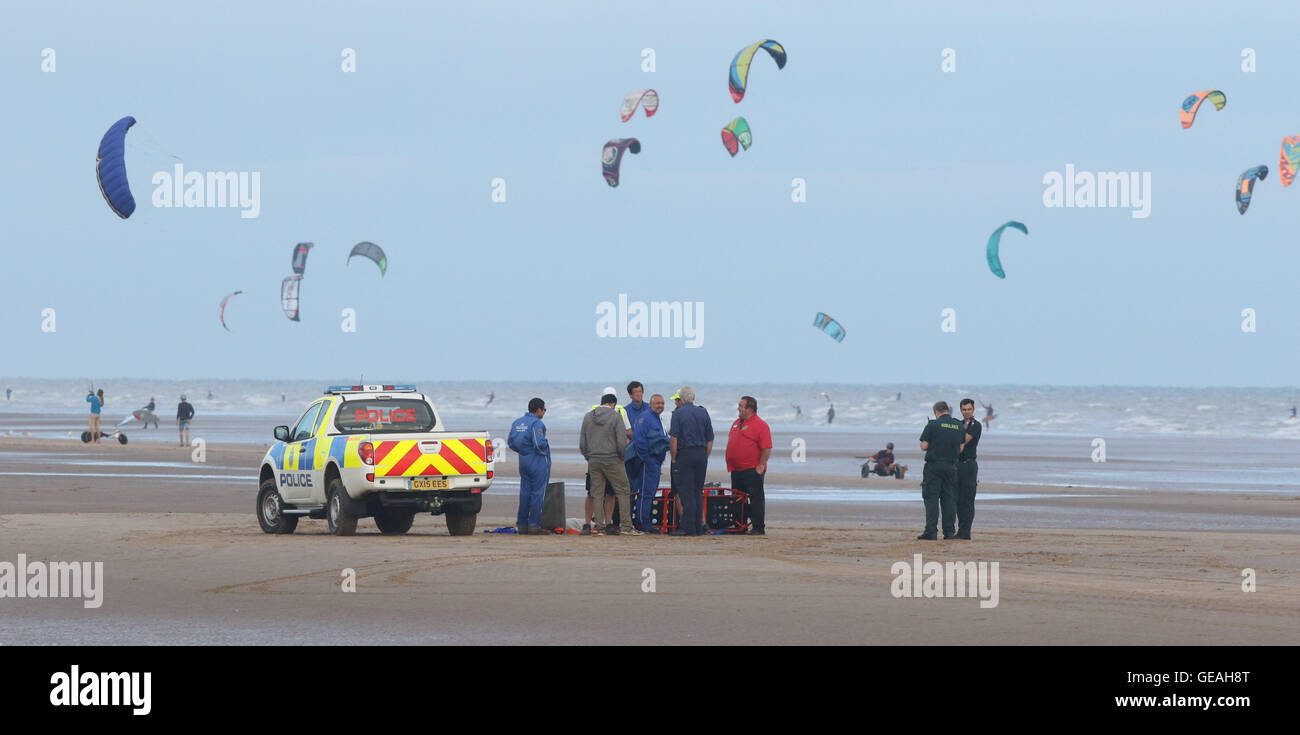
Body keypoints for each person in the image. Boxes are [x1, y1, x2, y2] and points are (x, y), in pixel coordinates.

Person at [579, 388, 640, 536]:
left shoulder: (588, 416)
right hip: (613, 459)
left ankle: (599, 527)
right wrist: (621, 456)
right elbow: (621, 441)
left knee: (597, 493)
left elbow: (582, 442)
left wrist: (589, 456)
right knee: (624, 490)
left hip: (594, 459)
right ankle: (626, 526)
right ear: (613, 404)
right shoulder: (615, 416)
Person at [668, 386, 713, 536]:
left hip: (685, 454)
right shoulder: (703, 412)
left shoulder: (678, 414)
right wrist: (705, 456)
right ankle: (698, 526)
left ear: (681, 398)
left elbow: (673, 439)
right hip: (701, 453)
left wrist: (674, 458)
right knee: (697, 491)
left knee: (686, 492)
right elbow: (710, 439)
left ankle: (688, 527)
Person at [726, 396, 772, 535]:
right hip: (736, 468)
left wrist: (761, 465)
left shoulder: (761, 425)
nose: (738, 408)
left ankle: (758, 527)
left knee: (756, 498)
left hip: (752, 469)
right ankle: (740, 525)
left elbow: (767, 447)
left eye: (741, 406)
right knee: (737, 499)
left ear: (750, 409)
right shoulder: (736, 422)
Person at [917, 400, 963, 540]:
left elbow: (924, 446)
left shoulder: (933, 425)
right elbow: (961, 448)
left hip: (934, 466)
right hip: (951, 467)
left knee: (931, 498)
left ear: (936, 411)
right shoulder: (959, 425)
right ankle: (949, 532)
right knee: (949, 499)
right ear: (948, 410)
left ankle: (931, 531)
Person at [626, 383, 666, 532]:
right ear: (651, 404)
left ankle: (642, 520)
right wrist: (646, 458)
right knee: (645, 493)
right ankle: (643, 522)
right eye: (657, 403)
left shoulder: (656, 418)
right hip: (647, 461)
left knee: (649, 492)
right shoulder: (646, 417)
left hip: (654, 461)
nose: (660, 405)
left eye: (662, 403)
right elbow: (639, 439)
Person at [508, 398, 551, 534]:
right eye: (544, 409)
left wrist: (523, 451)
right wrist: (545, 449)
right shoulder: (537, 423)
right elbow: (539, 444)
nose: (544, 412)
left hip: (524, 460)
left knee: (525, 493)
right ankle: (533, 524)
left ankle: (522, 524)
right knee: (538, 493)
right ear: (538, 410)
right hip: (537, 462)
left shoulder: (517, 422)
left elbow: (511, 442)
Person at [955, 398, 982, 540]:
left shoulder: (976, 425)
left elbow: (962, 441)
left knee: (968, 499)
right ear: (961, 410)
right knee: (957, 499)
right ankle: (961, 530)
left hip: (969, 464)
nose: (966, 412)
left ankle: (966, 531)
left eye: (969, 409)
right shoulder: (958, 424)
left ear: (973, 410)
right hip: (957, 464)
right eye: (964, 409)